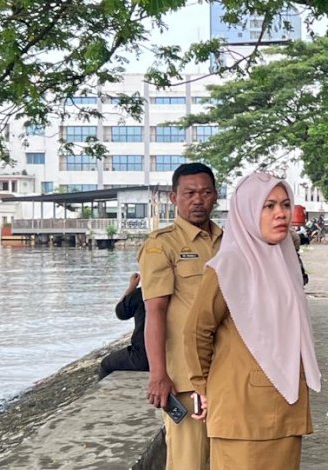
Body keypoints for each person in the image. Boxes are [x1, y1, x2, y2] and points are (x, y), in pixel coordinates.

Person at [185, 172, 321, 470]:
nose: (280, 214)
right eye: (268, 206)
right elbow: (197, 330)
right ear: (247, 210)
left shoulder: (284, 260)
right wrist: (201, 386)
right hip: (242, 411)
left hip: (285, 404)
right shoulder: (230, 263)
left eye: (285, 205)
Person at [138, 162, 222, 469]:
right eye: (189, 193)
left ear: (216, 196)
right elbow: (155, 311)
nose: (197, 200)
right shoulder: (162, 245)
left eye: (205, 192)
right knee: (190, 461)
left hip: (225, 371)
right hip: (185, 377)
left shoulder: (228, 243)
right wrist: (159, 375)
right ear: (174, 198)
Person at [99, 272, 149, 380]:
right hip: (174, 355)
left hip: (142, 357)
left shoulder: (141, 294)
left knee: (106, 365)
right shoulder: (181, 293)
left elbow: (121, 313)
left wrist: (131, 287)